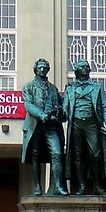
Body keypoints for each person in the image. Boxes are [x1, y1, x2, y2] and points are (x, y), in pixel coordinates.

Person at [62, 59, 106, 195]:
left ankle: (97, 185)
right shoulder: (70, 88)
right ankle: (82, 186)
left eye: (87, 67)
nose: (86, 68)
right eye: (82, 67)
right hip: (76, 123)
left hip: (91, 123)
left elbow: (105, 107)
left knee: (95, 154)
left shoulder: (97, 87)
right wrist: (61, 113)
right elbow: (65, 108)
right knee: (78, 156)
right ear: (76, 70)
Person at [21, 59, 67, 195]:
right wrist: (42, 115)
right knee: (35, 155)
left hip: (51, 126)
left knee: (57, 153)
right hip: (35, 125)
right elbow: (28, 105)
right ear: (35, 69)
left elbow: (60, 105)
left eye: (45, 68)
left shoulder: (53, 88)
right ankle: (37, 186)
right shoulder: (28, 86)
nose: (42, 70)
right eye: (40, 67)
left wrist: (62, 110)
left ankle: (58, 186)